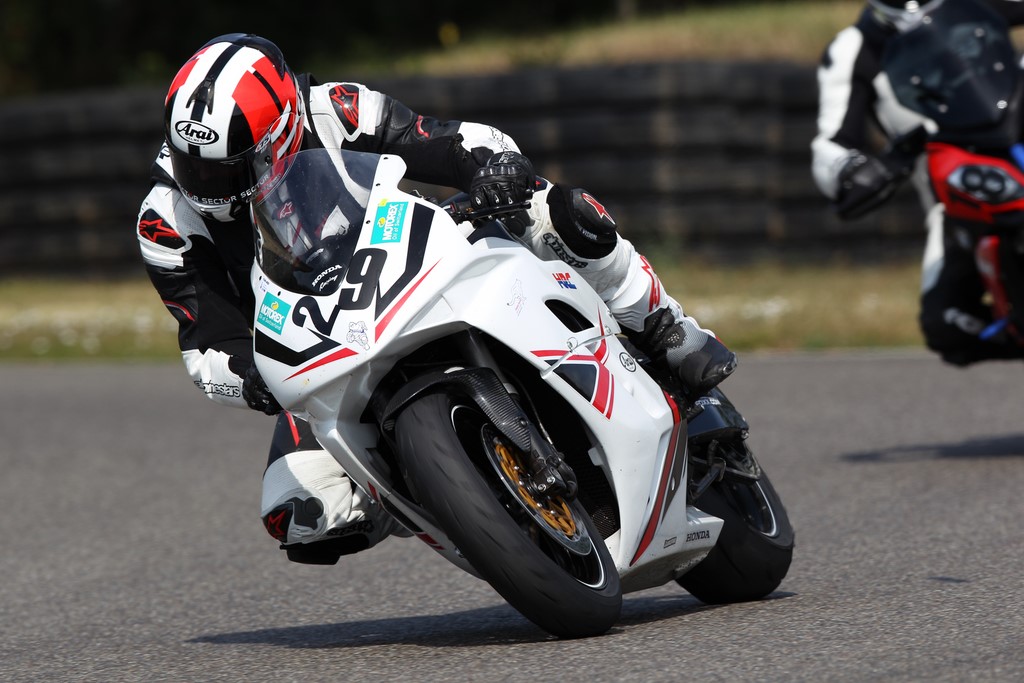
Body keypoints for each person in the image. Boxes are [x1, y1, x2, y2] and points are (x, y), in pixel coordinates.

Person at [137, 33, 736, 566]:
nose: (205, 187)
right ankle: (451, 491)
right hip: (316, 344)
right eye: (193, 167)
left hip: (408, 259)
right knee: (301, 514)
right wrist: (249, 380)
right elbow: (206, 347)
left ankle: (663, 325)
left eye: (224, 171)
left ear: (282, 131)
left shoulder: (336, 108)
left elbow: (451, 141)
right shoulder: (165, 223)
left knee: (552, 209)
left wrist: (494, 168)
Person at [812, 0, 1024, 367]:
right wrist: (851, 169)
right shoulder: (852, 47)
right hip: (955, 200)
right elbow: (830, 144)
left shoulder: (976, 4)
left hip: (1013, 145)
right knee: (947, 325)